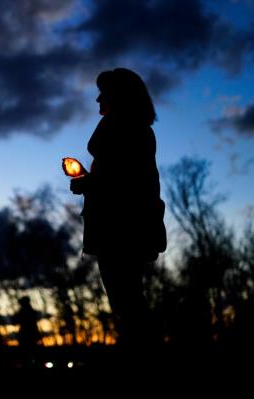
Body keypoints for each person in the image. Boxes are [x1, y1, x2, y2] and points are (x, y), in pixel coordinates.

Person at [69, 68, 166, 347]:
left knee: (128, 304)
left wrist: (90, 184)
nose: (98, 99)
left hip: (122, 232)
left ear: (118, 97)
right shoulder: (130, 131)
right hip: (119, 230)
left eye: (104, 93)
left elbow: (125, 184)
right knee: (127, 303)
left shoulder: (129, 131)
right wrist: (89, 182)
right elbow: (119, 179)